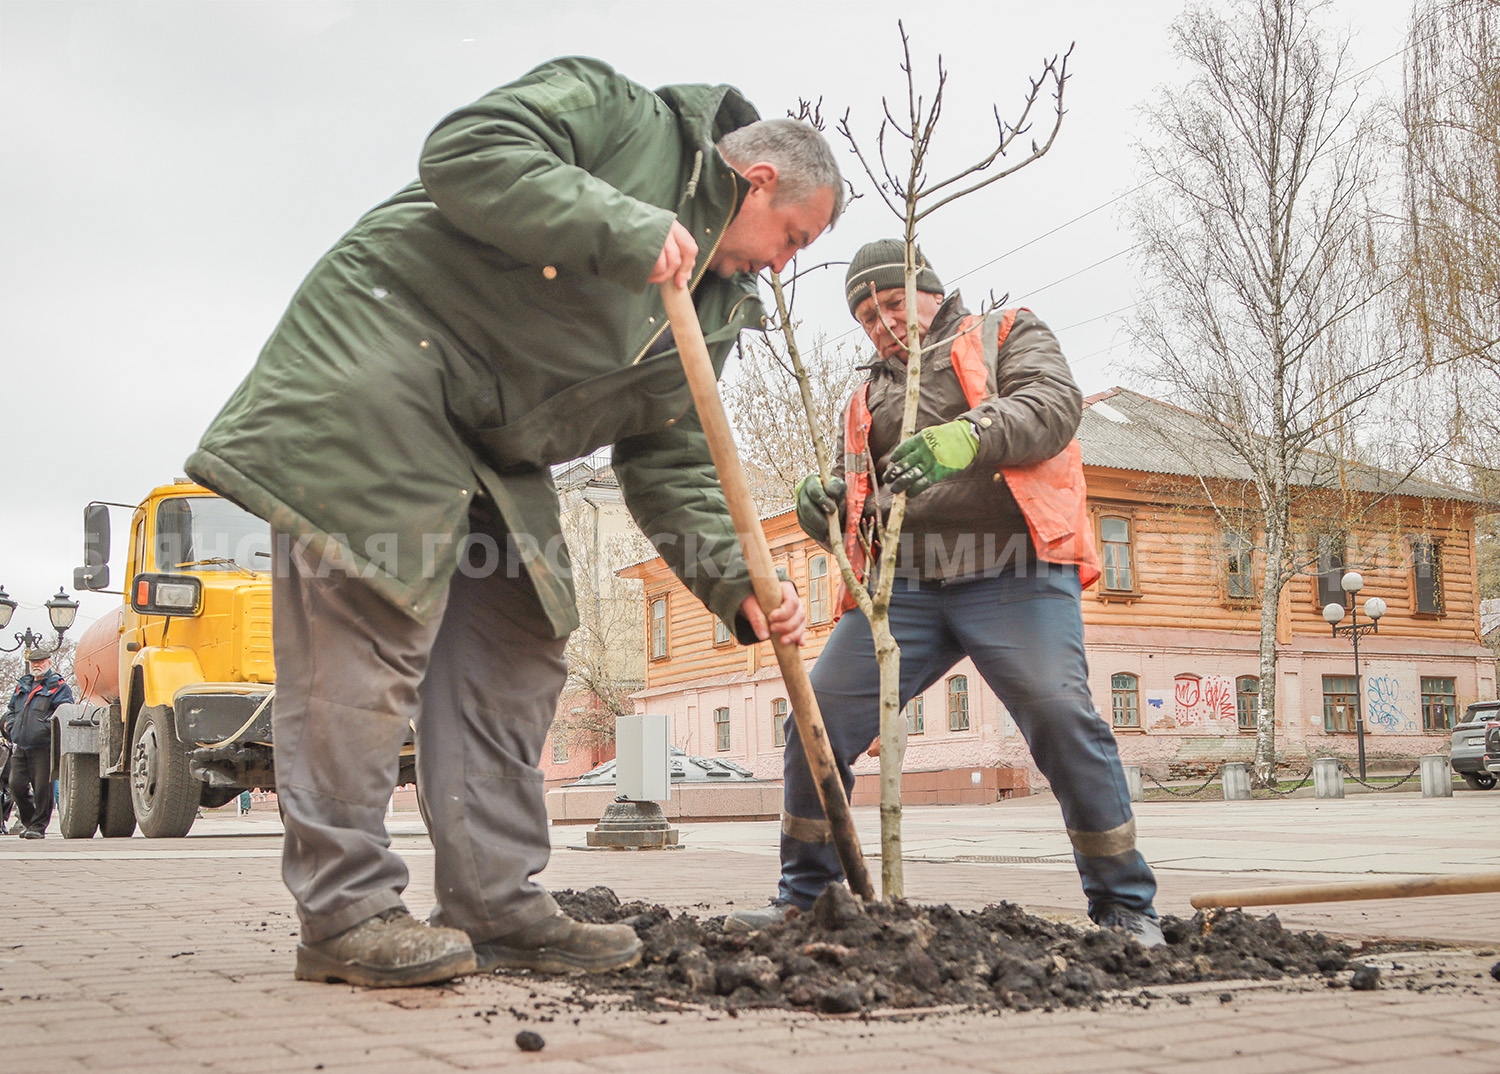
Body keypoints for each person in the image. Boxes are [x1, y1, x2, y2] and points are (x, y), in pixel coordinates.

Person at [186, 57, 840, 988]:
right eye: (793, 238)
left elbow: (673, 453)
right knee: (370, 635)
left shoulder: (714, 304)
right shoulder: (622, 119)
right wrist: (622, 224)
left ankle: (496, 905)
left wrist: (738, 583)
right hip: (387, 354)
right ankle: (346, 913)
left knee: (518, 644)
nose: (783, 265)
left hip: (494, 442)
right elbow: (465, 152)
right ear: (761, 180)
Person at [728, 240, 1164, 946]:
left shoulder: (1004, 333)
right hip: (906, 589)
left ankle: (1125, 906)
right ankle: (806, 899)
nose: (883, 323)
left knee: (1060, 714)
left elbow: (1054, 406)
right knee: (815, 724)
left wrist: (969, 435)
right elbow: (864, 506)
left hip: (1014, 572)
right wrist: (828, 510)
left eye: (893, 303)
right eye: (867, 317)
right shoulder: (865, 396)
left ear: (928, 289)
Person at [3, 650, 74, 840]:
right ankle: (30, 822)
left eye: (41, 661)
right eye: (33, 661)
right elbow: (11, 710)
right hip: (21, 745)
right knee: (15, 785)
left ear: (48, 662)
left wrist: (44, 728)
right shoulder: (22, 685)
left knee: (43, 789)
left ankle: (39, 827)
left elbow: (64, 711)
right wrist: (11, 726)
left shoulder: (58, 686)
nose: (37, 665)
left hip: (44, 746)